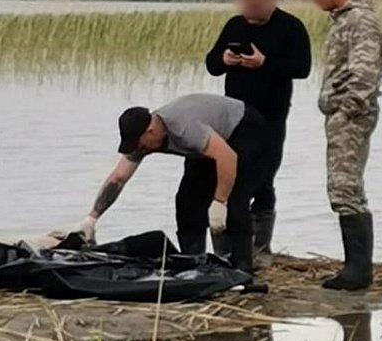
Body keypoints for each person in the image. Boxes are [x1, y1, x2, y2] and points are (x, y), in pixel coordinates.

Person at [75, 94, 267, 274]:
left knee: (235, 199)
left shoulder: (185, 129)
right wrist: (92, 218)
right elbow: (118, 178)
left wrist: (219, 201)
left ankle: (242, 267)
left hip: (243, 127)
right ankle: (194, 263)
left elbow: (227, 157)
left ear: (150, 131)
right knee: (187, 201)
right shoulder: (143, 141)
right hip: (206, 143)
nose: (140, 150)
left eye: (141, 145)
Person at [205, 0, 311, 265]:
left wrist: (265, 63)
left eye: (255, 9)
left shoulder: (291, 26)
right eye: (245, 8)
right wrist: (224, 60)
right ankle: (225, 250)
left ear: (268, 0)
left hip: (271, 116)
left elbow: (302, 68)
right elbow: (211, 64)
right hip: (233, 117)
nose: (249, 15)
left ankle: (261, 249)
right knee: (226, 178)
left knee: (263, 179)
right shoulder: (235, 25)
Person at [301, 0, 382, 291]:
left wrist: (347, 110)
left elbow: (364, 72)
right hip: (341, 114)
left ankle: (358, 271)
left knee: (346, 186)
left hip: (351, 116)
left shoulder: (359, 19)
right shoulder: (344, 19)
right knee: (342, 187)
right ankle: (355, 266)